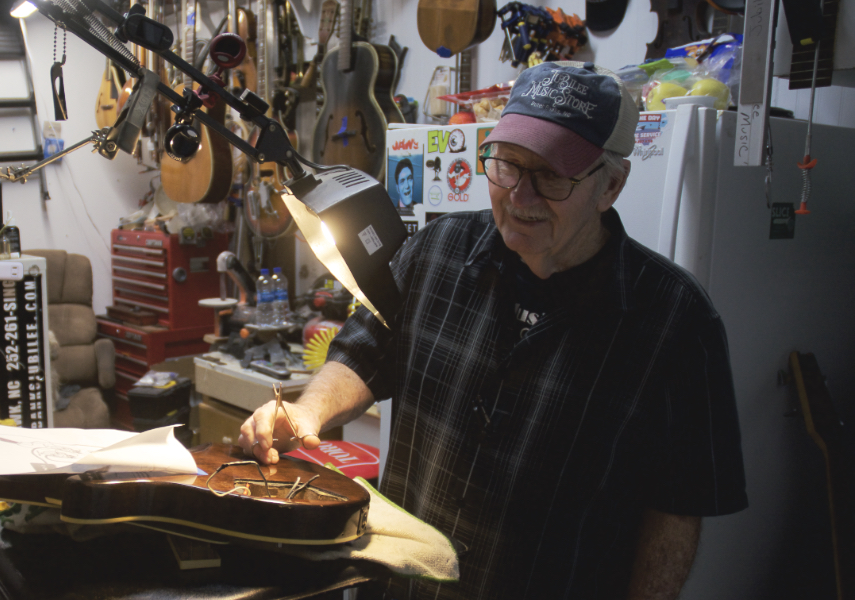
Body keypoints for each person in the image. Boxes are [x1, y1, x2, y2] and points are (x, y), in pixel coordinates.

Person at [240, 61, 747, 600]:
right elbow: (364, 352)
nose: (520, 197)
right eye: (506, 164)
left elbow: (675, 509)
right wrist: (307, 410)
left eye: (551, 175)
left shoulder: (676, 321)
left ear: (611, 186)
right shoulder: (435, 249)